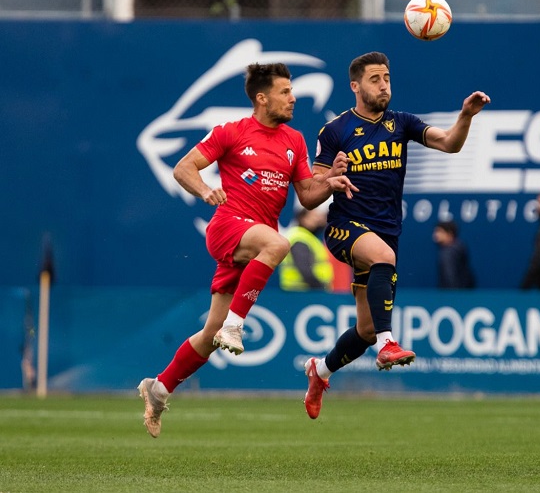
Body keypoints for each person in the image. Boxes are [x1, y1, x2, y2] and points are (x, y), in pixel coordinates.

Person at [137, 62, 355, 438]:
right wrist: (205, 190)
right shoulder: (232, 132)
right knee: (279, 243)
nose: (293, 97)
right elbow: (183, 169)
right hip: (228, 227)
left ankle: (158, 389)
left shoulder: (294, 140)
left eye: (292, 90)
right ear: (261, 97)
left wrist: (330, 182)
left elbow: (306, 194)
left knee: (209, 334)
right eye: (285, 91)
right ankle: (236, 327)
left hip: (257, 243)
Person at [302, 51, 491, 419]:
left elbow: (450, 143)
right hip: (345, 229)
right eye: (375, 79)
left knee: (366, 330)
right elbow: (309, 196)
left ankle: (319, 372)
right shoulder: (336, 131)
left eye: (387, 77)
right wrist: (329, 179)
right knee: (383, 261)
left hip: (385, 232)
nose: (384, 84)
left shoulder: (402, 123)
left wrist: (465, 116)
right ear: (355, 86)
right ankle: (389, 345)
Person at [279, 205, 334, 291]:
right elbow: (305, 269)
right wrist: (320, 288)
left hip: (305, 292)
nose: (318, 220)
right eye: (314, 217)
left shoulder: (308, 237)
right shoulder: (300, 238)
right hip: (302, 292)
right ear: (303, 219)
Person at [432, 220, 476, 289]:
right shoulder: (458, 248)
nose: (435, 235)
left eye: (439, 231)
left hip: (453, 296)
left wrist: (452, 295)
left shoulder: (448, 253)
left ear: (450, 234)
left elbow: (449, 276)